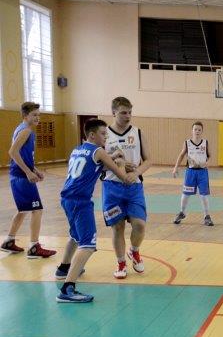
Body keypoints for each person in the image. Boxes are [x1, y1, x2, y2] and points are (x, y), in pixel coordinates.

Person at [56, 119, 137, 302]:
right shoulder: (99, 151)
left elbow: (96, 162)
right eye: (103, 134)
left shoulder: (77, 149)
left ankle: (63, 268)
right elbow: (123, 177)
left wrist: (112, 157)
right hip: (80, 201)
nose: (106, 137)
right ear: (92, 135)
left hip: (67, 199)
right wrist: (121, 162)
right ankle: (67, 289)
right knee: (88, 244)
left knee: (75, 236)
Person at [102, 97, 152, 279]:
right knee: (117, 227)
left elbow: (149, 160)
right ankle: (121, 262)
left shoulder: (138, 132)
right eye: (123, 112)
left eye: (130, 112)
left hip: (134, 186)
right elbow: (98, 163)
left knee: (140, 225)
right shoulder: (104, 134)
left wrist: (136, 171)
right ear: (113, 112)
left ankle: (134, 251)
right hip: (111, 186)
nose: (128, 116)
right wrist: (118, 166)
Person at [1, 102, 56, 259]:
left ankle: (9, 241)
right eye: (34, 115)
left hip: (19, 175)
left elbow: (23, 155)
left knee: (23, 210)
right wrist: (28, 172)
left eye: (39, 115)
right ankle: (34, 247)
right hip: (21, 177)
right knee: (37, 210)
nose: (38, 118)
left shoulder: (23, 129)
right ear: (25, 116)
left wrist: (34, 170)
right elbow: (12, 152)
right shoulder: (25, 130)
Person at [171, 121, 213, 226]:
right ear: (192, 131)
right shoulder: (187, 143)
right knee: (185, 194)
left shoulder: (205, 143)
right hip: (191, 172)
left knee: (203, 195)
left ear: (202, 131)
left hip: (202, 172)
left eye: (199, 130)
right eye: (195, 129)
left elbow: (210, 156)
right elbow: (181, 155)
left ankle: (207, 216)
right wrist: (175, 168)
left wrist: (207, 163)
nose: (197, 131)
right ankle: (182, 212)